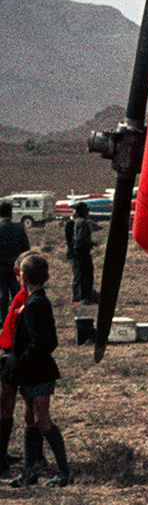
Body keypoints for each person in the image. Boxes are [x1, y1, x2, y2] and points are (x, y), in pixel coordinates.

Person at [4, 253, 67, 487]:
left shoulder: (35, 305)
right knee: (29, 417)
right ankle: (29, 471)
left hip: (38, 371)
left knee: (42, 418)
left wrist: (20, 362)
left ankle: (63, 470)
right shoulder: (34, 302)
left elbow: (45, 342)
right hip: (32, 372)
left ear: (23, 277)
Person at [0, 250, 32, 475]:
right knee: (7, 406)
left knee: (13, 406)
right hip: (9, 352)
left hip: (14, 354)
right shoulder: (22, 296)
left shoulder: (26, 298)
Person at [0, 202, 29, 310]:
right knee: (17, 294)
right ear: (10, 213)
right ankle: (18, 319)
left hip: (1, 267)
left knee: (2, 295)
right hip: (15, 266)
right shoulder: (18, 228)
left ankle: (2, 320)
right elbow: (26, 248)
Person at [69, 202, 98, 305]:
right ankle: (85, 298)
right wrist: (92, 243)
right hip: (83, 251)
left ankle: (83, 297)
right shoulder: (83, 222)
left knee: (83, 274)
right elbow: (81, 239)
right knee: (87, 275)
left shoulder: (78, 221)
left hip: (79, 251)